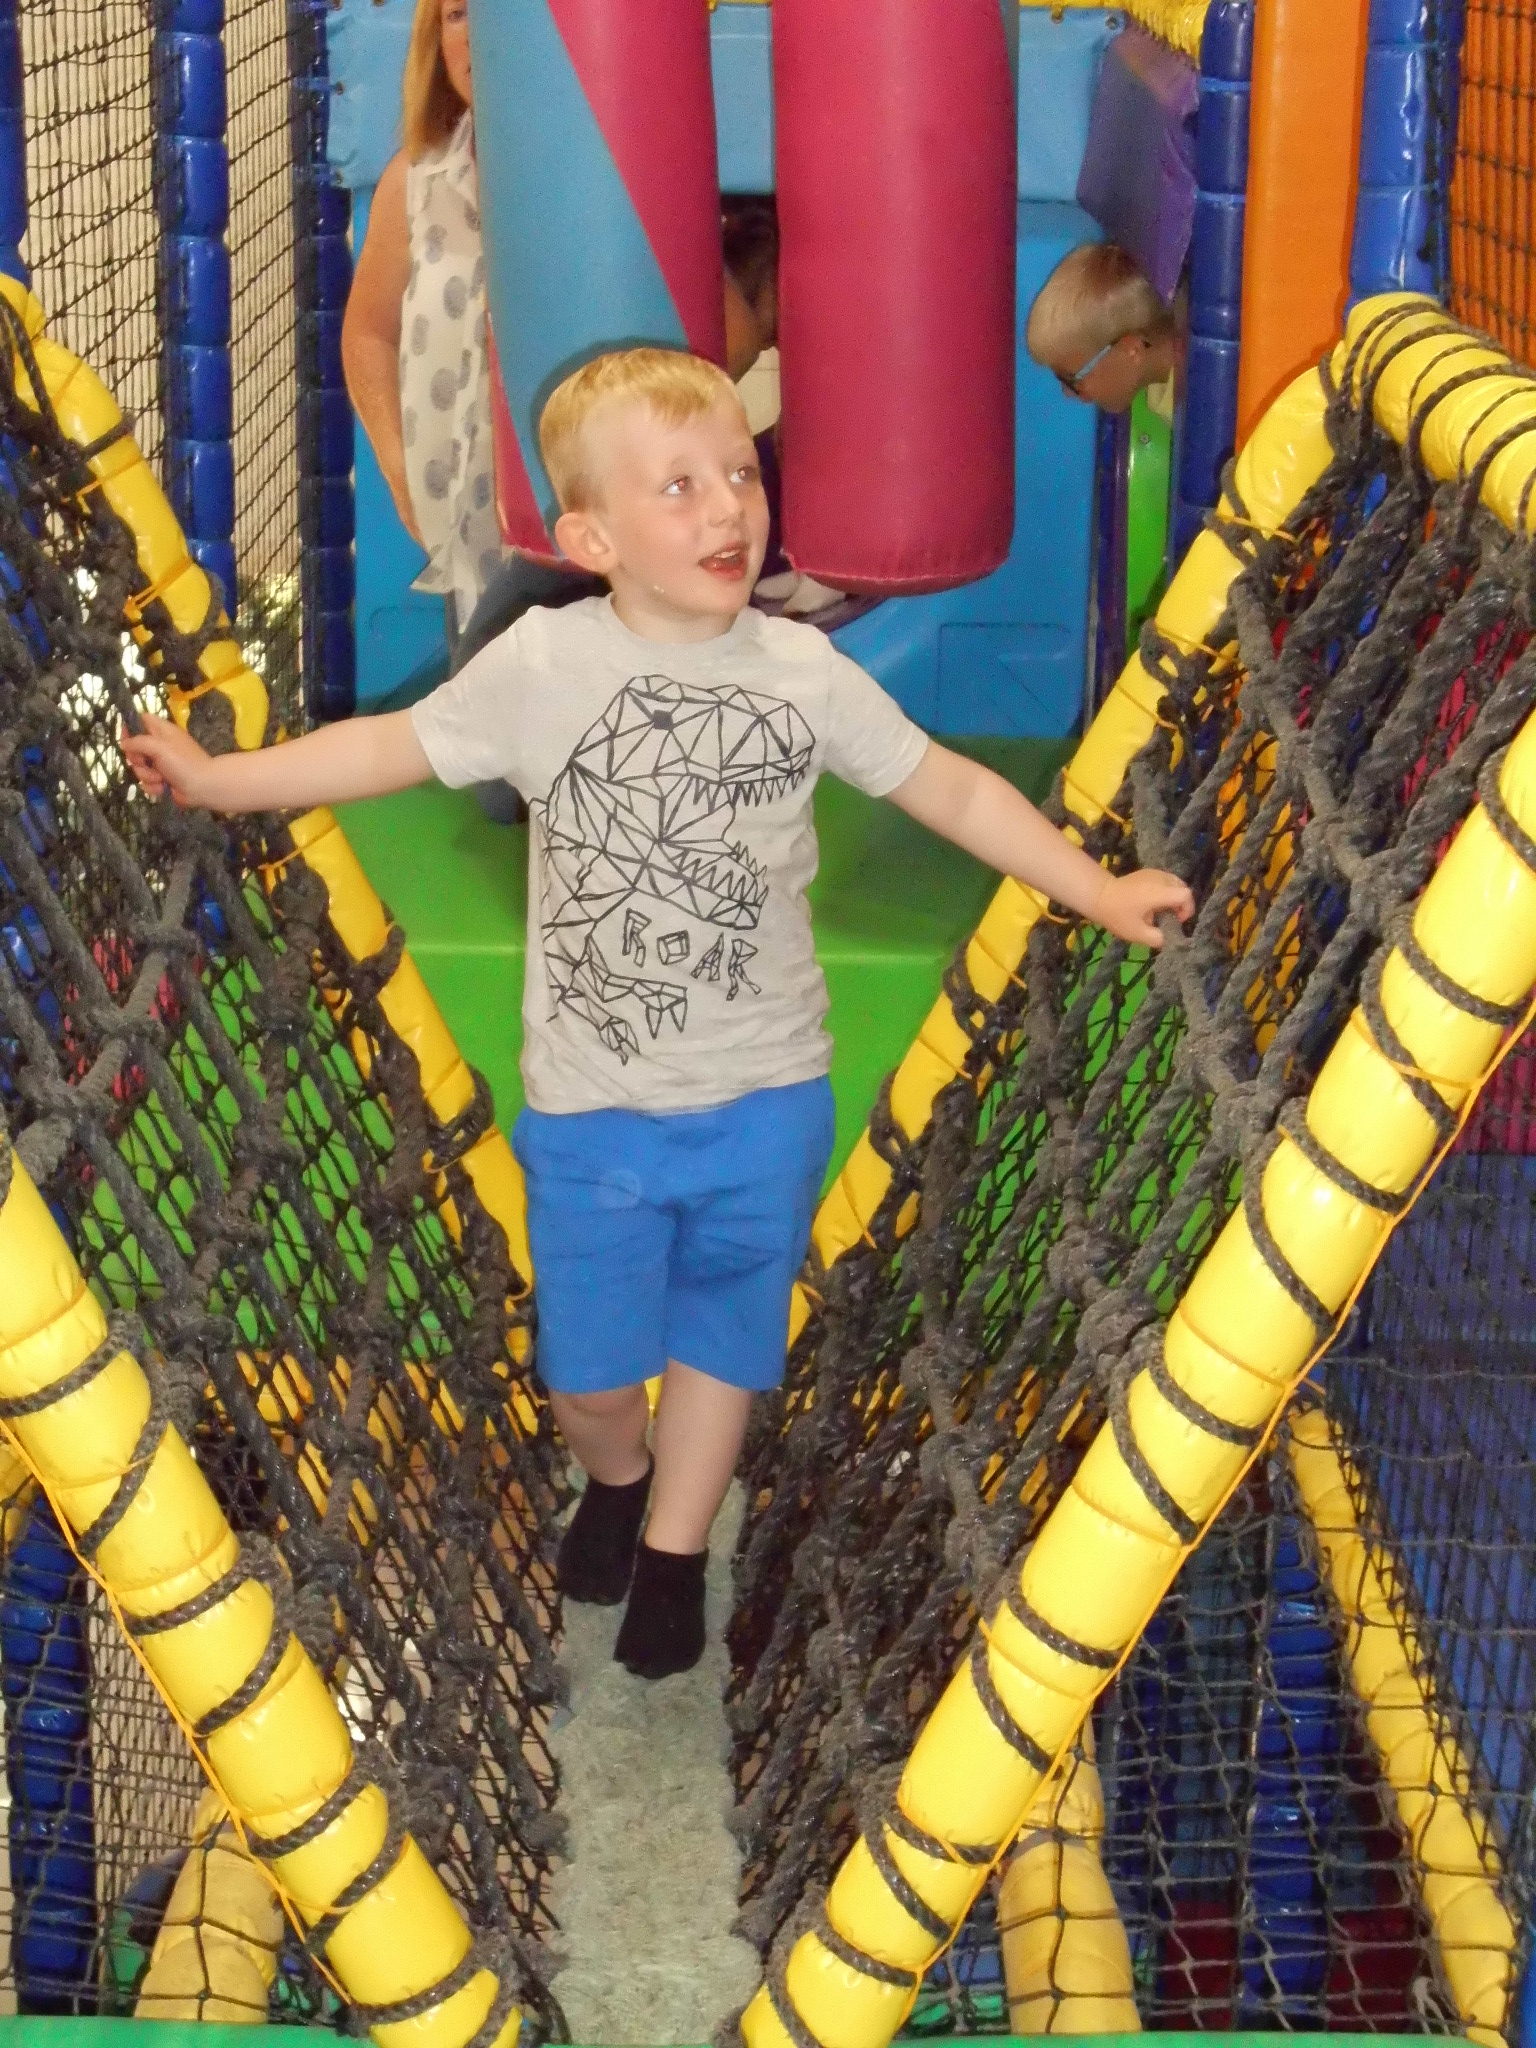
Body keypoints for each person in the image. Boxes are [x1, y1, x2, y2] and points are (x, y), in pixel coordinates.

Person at [122, 348, 1196, 1683]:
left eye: (739, 473)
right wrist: (223, 779)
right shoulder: (543, 666)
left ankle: (678, 1550)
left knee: (723, 1341)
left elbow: (954, 791)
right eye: (678, 486)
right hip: (598, 1111)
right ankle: (619, 1476)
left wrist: (1094, 886)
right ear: (592, 539)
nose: (727, 506)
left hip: (766, 1095)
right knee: (587, 1376)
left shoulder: (801, 671)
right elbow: (389, 748)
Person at [1026, 242, 1186, 421]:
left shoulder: (1199, 388)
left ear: (1131, 350)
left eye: (1072, 381)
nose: (1067, 394)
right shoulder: (1158, 396)